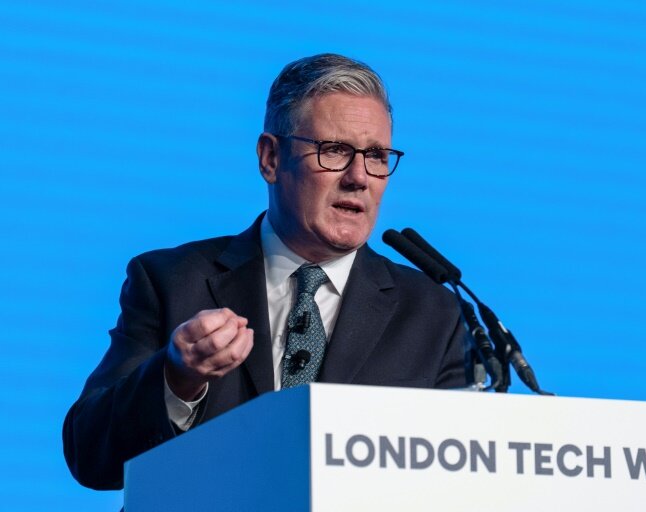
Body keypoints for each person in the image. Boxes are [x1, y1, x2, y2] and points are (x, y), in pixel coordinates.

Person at [63, 53, 468, 491]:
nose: (359, 177)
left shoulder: (433, 312)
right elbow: (91, 456)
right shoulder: (171, 280)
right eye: (334, 150)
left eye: (376, 155)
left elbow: (460, 484)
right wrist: (178, 377)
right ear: (271, 158)